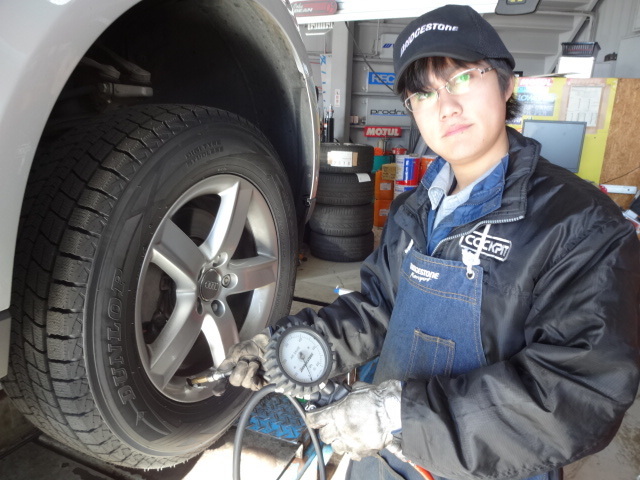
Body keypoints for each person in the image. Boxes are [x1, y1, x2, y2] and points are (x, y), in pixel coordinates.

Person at [218, 5, 640, 480]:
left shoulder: (581, 224)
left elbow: (576, 393)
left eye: (463, 78)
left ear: (507, 84)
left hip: (486, 468)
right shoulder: (412, 210)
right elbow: (380, 307)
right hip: (380, 456)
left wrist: (398, 416)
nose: (446, 106)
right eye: (423, 93)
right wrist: (290, 345)